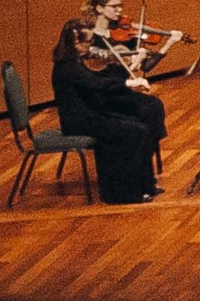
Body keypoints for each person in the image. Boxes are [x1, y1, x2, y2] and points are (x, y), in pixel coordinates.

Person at [50, 15, 165, 203]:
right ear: (75, 43)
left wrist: (122, 71)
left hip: (91, 115)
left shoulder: (74, 62)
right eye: (88, 41)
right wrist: (128, 83)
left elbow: (97, 80)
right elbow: (95, 85)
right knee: (133, 131)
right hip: (79, 122)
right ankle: (123, 193)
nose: (91, 45)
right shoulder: (67, 67)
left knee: (139, 125)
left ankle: (142, 185)